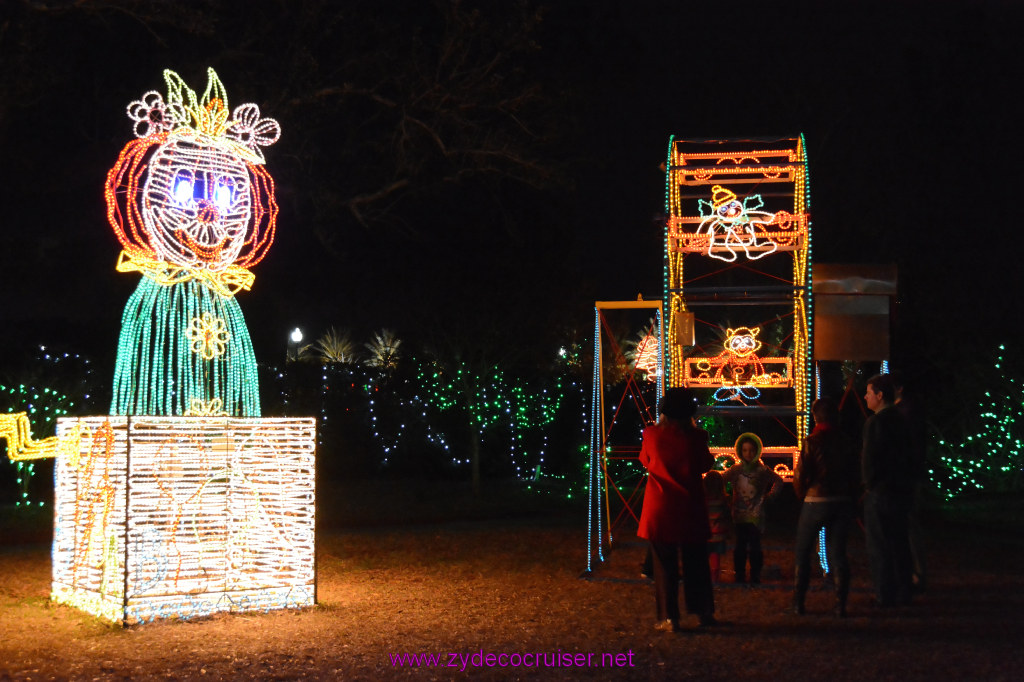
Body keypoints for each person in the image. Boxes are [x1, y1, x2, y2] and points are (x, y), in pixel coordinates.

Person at [637, 387, 717, 632]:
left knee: (664, 566)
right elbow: (705, 464)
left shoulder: (651, 434)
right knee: (697, 563)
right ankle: (703, 612)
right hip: (690, 507)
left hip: (660, 508)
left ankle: (670, 618)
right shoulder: (697, 437)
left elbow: (645, 460)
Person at [792, 398, 860, 617]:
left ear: (815, 417)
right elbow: (854, 473)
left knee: (803, 552)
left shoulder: (812, 441)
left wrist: (802, 494)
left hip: (816, 500)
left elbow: (801, 474)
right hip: (841, 501)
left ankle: (798, 603)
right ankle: (840, 605)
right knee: (838, 553)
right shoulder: (846, 441)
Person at [862, 373, 914, 607]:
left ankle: (885, 593)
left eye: (869, 393)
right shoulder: (902, 419)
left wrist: (869, 485)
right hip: (901, 489)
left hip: (881, 491)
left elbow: (870, 459)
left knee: (880, 544)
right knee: (899, 542)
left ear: (880, 396)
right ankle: (904, 590)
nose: (865, 397)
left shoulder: (875, 422)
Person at [722, 432, 783, 583]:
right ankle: (740, 575)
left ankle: (755, 575)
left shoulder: (762, 470)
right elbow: (721, 479)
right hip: (739, 514)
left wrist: (770, 496)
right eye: (745, 450)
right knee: (740, 546)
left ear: (756, 451)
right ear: (740, 451)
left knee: (755, 546)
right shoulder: (736, 470)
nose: (748, 453)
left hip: (756, 514)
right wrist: (725, 496)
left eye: (751, 450)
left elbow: (778, 480)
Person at [892, 372, 928, 593]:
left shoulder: (904, 412)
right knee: (907, 526)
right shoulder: (909, 410)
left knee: (908, 526)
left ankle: (915, 574)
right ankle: (913, 573)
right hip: (908, 475)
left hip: (904, 476)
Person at [704, 470, 731, 583]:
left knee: (704, 556)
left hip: (706, 534)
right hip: (719, 534)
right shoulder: (723, 499)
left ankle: (705, 576)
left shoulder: (703, 500)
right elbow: (726, 515)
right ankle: (715, 578)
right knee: (715, 557)